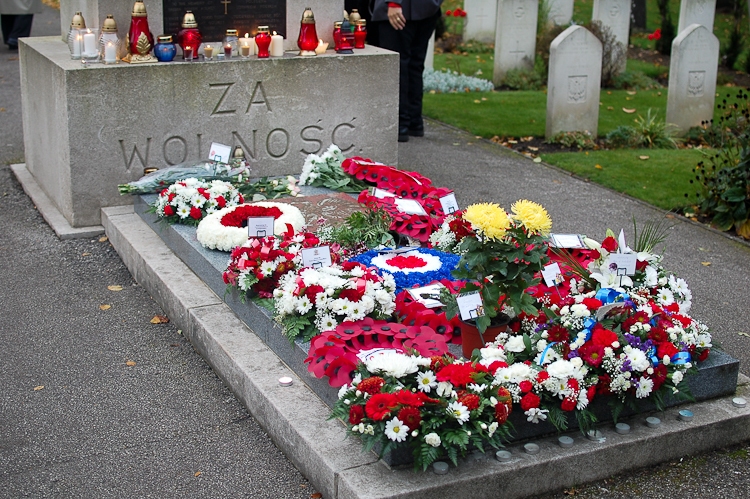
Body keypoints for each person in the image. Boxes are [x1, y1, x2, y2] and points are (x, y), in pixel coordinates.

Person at [371, 0, 442, 142]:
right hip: (427, 7)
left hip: (401, 7)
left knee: (396, 66)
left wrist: (393, 3)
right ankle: (413, 122)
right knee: (414, 64)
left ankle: (400, 123)